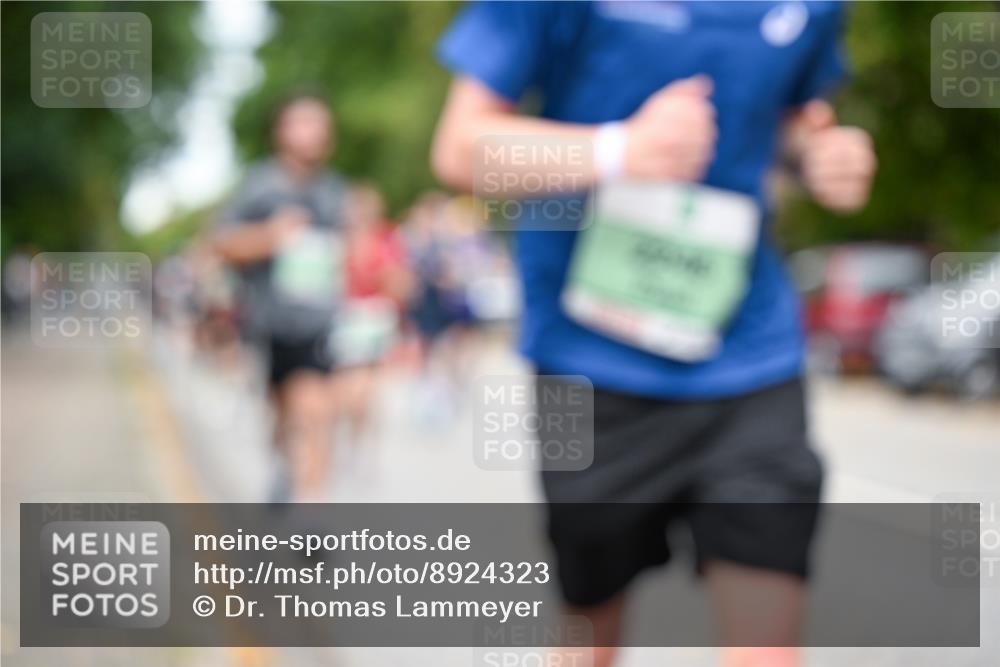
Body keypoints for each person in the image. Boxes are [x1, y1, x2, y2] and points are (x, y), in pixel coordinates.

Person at [431, 3, 877, 667]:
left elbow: (789, 120)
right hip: (582, 365)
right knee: (588, 636)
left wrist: (819, 156)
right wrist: (618, 151)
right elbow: (461, 151)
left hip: (748, 354)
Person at [212, 94, 348, 502]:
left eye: (319, 124)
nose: (312, 133)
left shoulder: (334, 191)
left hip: (319, 325)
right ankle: (282, 465)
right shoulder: (260, 186)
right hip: (270, 324)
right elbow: (221, 243)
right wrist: (271, 237)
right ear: (281, 132)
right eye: (302, 123)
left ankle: (311, 514)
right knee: (283, 415)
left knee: (317, 412)